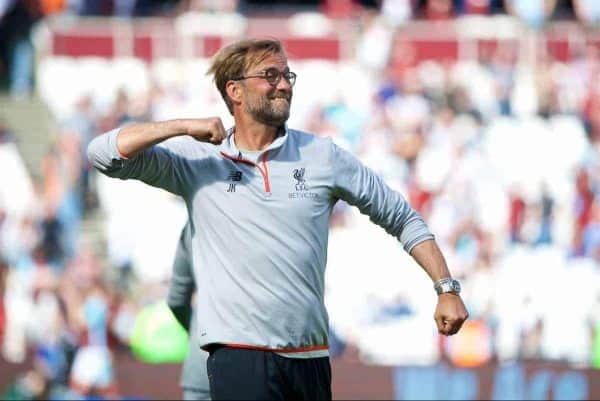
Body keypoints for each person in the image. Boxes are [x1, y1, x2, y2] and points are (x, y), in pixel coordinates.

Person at [87, 38, 468, 400]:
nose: (284, 85)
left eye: (287, 76)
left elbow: (400, 216)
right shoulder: (199, 160)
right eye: (270, 75)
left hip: (310, 357)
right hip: (239, 354)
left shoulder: (322, 156)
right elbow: (103, 153)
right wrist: (181, 126)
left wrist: (446, 288)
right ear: (234, 91)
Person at [167, 223, 211, 400]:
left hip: (200, 366)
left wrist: (198, 333)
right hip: (259, 363)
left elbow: (176, 300)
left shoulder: (193, 225)